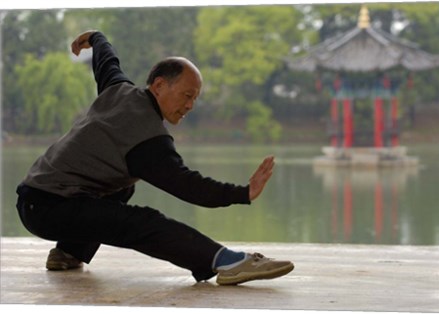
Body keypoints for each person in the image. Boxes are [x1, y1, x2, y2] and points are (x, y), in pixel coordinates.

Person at [15, 30, 294, 286]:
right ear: (159, 85)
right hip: (51, 208)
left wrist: (97, 39)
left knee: (123, 185)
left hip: (33, 202)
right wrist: (243, 192)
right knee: (142, 223)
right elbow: (189, 186)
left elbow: (107, 62)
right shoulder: (147, 138)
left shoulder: (118, 89)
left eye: (195, 98)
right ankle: (227, 261)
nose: (190, 106)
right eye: (186, 95)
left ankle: (68, 252)